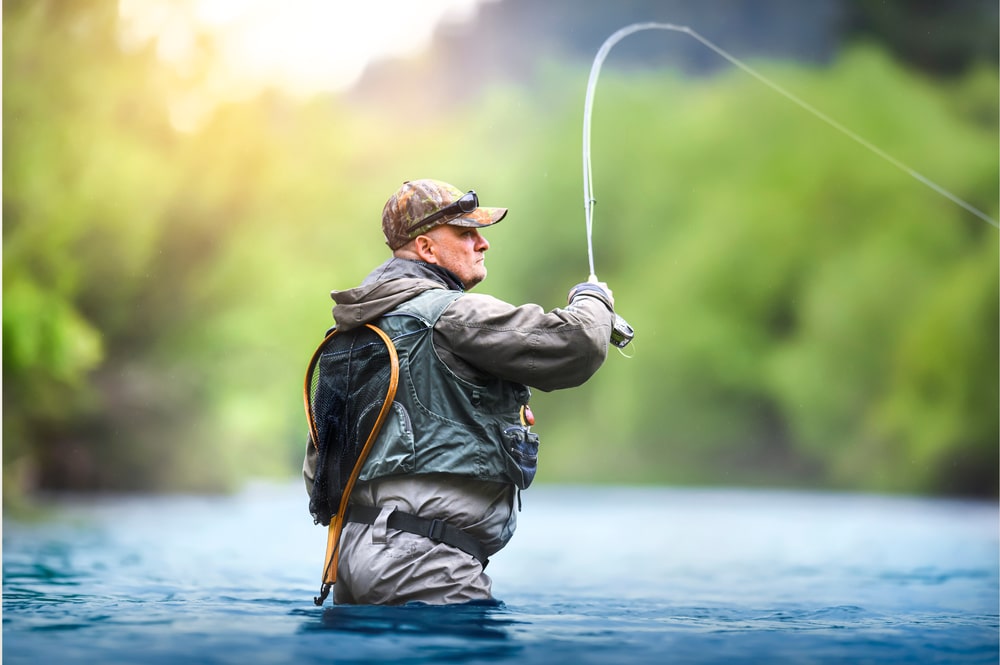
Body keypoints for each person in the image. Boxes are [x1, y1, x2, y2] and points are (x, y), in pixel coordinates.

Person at [303, 178, 617, 605]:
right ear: (427, 249)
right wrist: (593, 299)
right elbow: (576, 344)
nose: (482, 243)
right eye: (466, 233)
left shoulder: (352, 333)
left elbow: (317, 469)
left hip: (351, 562)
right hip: (426, 566)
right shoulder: (451, 314)